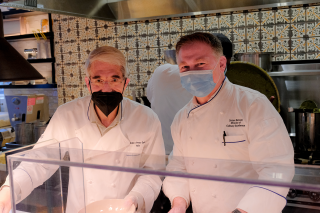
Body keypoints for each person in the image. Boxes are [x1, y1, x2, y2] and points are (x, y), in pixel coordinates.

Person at [0, 46, 165, 213]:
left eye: (114, 79)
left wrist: (136, 198)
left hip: (126, 210)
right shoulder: (67, 115)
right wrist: (9, 190)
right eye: (98, 80)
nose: (106, 88)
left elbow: (153, 173)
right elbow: (40, 162)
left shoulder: (146, 118)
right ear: (88, 83)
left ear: (125, 82)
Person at [162, 32, 294, 213]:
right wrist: (178, 205)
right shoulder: (182, 118)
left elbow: (276, 170)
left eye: (200, 64)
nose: (192, 72)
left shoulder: (253, 105)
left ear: (221, 64)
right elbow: (177, 169)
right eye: (185, 67)